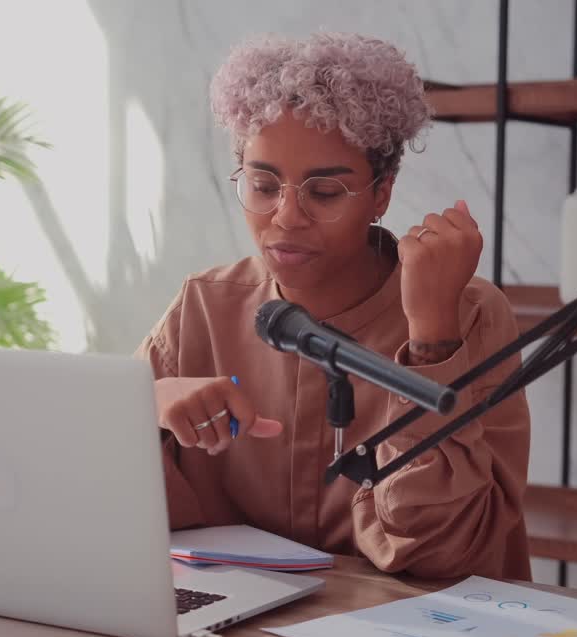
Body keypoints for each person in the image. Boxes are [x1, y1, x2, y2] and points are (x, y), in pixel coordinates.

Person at [137, 32, 532, 580]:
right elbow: (87, 478)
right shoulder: (204, 306)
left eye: (324, 193)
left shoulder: (470, 313)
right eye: (262, 184)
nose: (286, 217)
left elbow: (444, 551)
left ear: (382, 194)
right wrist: (150, 403)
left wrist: (432, 336)